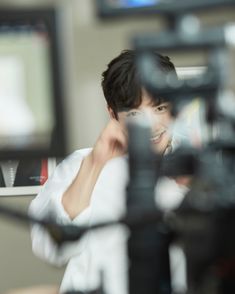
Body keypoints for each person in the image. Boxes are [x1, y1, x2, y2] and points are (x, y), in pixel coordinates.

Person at [29, 50, 188, 294]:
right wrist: (95, 163)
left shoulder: (195, 169)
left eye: (160, 108)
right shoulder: (81, 164)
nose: (152, 125)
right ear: (112, 114)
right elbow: (51, 249)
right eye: (134, 113)